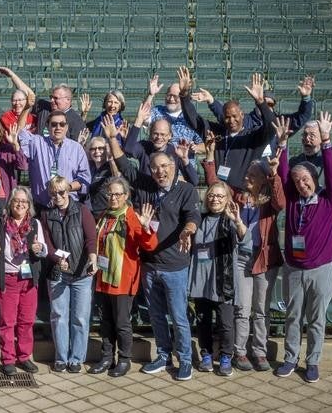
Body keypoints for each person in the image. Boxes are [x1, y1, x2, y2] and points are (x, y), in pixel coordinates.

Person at [106, 117, 201, 381]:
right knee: (157, 315)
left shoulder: (186, 190)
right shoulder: (145, 187)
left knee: (179, 317)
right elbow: (123, 162)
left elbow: (193, 217)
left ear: (173, 166)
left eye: (164, 167)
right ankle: (162, 355)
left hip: (175, 266)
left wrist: (187, 231)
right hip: (149, 264)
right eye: (155, 167)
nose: (159, 171)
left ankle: (184, 360)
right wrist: (113, 137)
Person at [204, 132, 284, 373]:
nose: (247, 177)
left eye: (253, 175)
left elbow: (281, 202)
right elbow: (214, 184)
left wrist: (274, 174)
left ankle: (259, 352)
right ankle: (239, 351)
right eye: (247, 174)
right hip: (240, 259)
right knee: (242, 308)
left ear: (263, 178)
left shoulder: (269, 201)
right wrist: (209, 157)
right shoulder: (237, 196)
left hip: (264, 259)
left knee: (261, 310)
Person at [275, 112, 332, 383]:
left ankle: (312, 361)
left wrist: (326, 140)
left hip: (321, 270)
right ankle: (290, 357)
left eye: (306, 180)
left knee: (316, 319)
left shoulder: (330, 200)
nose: (302, 184)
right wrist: (282, 145)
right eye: (298, 181)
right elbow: (281, 175)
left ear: (315, 179)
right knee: (293, 317)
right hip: (294, 269)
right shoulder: (292, 199)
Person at [90, 177, 157, 378]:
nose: (113, 197)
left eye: (118, 194)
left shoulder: (131, 216)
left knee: (121, 322)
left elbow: (150, 245)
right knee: (106, 322)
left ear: (126, 196)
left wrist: (145, 228)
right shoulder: (104, 215)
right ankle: (106, 357)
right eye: (110, 194)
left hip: (122, 279)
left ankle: (124, 359)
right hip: (104, 276)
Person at [0, 186, 47, 376]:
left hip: (28, 280)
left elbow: (43, 250)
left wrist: (38, 248)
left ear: (29, 205)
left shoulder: (35, 224)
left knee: (27, 321)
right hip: (9, 279)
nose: (20, 204)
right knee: (7, 322)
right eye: (16, 200)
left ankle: (24, 357)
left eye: (24, 201)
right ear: (10, 203)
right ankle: (8, 359)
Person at [182, 70, 276, 191]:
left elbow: (272, 126)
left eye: (234, 116)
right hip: (220, 193)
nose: (231, 120)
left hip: (244, 195)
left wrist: (261, 102)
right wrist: (184, 96)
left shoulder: (253, 137)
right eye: (227, 117)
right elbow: (194, 121)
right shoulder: (217, 134)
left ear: (242, 115)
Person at [41, 175, 98, 373]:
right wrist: (58, 260)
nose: (58, 196)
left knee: (80, 318)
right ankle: (61, 357)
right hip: (59, 273)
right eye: (53, 192)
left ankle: (76, 358)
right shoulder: (47, 215)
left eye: (61, 191)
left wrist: (92, 258)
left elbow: (91, 238)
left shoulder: (82, 211)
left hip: (82, 273)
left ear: (68, 191)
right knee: (59, 316)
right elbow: (47, 244)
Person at [189, 182, 246, 377]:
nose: (215, 199)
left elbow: (244, 238)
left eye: (221, 196)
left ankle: (225, 357)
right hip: (201, 279)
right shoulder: (200, 219)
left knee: (225, 323)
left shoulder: (230, 220)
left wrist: (238, 221)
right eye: (212, 195)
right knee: (203, 320)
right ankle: (206, 355)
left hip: (224, 280)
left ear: (227, 199)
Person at [207, 76, 316, 153]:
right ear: (257, 102)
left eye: (270, 104)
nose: (267, 106)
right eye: (264, 103)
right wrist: (212, 101)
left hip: (271, 169)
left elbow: (302, 117)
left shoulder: (279, 122)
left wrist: (306, 98)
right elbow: (226, 116)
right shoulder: (246, 120)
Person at [15, 104, 91, 210]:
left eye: (62, 124)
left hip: (69, 206)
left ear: (67, 127)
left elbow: (84, 179)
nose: (58, 127)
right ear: (48, 126)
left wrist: (67, 187)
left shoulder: (76, 148)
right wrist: (26, 108)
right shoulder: (37, 143)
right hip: (42, 206)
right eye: (54, 124)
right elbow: (20, 131)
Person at [1, 66, 87, 140]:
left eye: (56, 98)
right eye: (51, 97)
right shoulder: (45, 107)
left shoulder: (76, 121)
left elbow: (76, 148)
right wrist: (12, 76)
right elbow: (29, 94)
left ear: (68, 100)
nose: (52, 101)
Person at [125, 96, 197, 184]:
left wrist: (185, 159)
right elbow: (128, 150)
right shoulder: (144, 147)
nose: (159, 137)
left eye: (163, 134)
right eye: (156, 133)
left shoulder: (175, 152)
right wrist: (139, 120)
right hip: (146, 193)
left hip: (168, 195)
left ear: (170, 136)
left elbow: (194, 181)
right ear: (150, 134)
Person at [289, 101, 332, 188]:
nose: (307, 139)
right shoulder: (295, 161)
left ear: (322, 137)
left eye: (312, 135)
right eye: (305, 135)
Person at [147, 72, 203, 160]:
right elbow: (142, 116)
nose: (171, 99)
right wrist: (150, 95)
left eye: (175, 96)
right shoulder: (157, 111)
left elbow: (206, 145)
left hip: (184, 169)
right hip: (158, 167)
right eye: (169, 95)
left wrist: (195, 148)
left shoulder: (191, 117)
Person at [85, 136, 118, 218]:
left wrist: (111, 159)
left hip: (105, 215)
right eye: (93, 149)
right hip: (90, 213)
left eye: (100, 148)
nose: (97, 151)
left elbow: (117, 178)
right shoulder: (90, 167)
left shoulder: (109, 168)